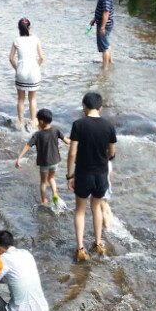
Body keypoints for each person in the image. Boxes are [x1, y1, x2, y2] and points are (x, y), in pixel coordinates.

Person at [67, 91, 117, 262]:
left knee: (80, 210)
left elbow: (72, 152)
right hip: (101, 174)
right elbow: (112, 152)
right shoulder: (109, 126)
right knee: (96, 207)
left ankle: (80, 248)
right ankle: (97, 243)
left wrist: (69, 175)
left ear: (84, 107)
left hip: (83, 173)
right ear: (100, 107)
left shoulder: (78, 125)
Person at [16, 108, 68, 205]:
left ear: (41, 121)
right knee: (51, 178)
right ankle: (55, 194)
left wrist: (19, 158)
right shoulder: (56, 130)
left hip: (44, 163)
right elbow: (67, 141)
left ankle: (44, 200)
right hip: (55, 161)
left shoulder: (38, 135)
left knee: (43, 182)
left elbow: (27, 146)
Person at [9, 17, 44, 130]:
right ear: (29, 28)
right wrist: (35, 67)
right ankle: (33, 122)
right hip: (34, 71)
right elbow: (41, 58)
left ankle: (20, 122)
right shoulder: (35, 39)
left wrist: (17, 68)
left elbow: (11, 58)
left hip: (21, 71)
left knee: (20, 99)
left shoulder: (16, 40)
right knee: (32, 99)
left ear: (19, 28)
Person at [90, 0, 115, 70]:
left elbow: (106, 12)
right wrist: (94, 19)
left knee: (104, 47)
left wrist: (102, 27)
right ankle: (109, 63)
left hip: (105, 24)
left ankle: (105, 69)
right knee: (106, 44)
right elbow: (102, 10)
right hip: (106, 22)